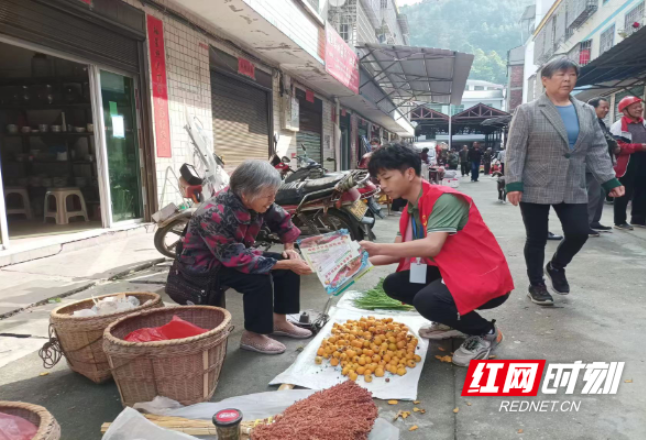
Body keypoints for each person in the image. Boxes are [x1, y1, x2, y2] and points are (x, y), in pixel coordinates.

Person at [360, 144, 514, 366]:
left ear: (409, 173)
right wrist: (354, 264)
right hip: (452, 273)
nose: (381, 185)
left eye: (386, 177)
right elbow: (395, 253)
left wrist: (376, 247)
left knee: (428, 301)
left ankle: (486, 332)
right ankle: (452, 322)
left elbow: (431, 247)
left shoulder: (444, 199)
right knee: (395, 284)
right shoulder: (410, 210)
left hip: (481, 276)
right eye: (378, 179)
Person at [506, 56, 624, 307]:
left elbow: (596, 148)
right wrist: (513, 183)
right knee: (536, 237)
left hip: (572, 182)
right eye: (561, 74)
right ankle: (536, 284)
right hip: (536, 182)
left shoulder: (586, 111)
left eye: (572, 74)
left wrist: (609, 180)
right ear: (545, 80)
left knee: (579, 232)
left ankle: (556, 266)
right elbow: (515, 149)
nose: (567, 79)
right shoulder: (527, 111)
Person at [177, 160, 313, 354]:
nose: (271, 200)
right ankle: (253, 335)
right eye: (268, 196)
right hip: (204, 266)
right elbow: (238, 259)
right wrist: (285, 263)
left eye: (274, 194)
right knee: (258, 278)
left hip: (233, 253)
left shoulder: (258, 199)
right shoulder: (213, 214)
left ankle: (279, 321)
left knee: (287, 267)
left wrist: (290, 250)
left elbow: (281, 220)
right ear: (245, 194)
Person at [610, 96, 646, 231]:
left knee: (643, 190)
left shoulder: (644, 123)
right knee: (624, 190)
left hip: (643, 159)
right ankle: (620, 221)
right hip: (628, 161)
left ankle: (638, 219)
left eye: (640, 106)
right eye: (635, 107)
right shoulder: (618, 126)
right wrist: (639, 146)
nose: (639, 109)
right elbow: (617, 147)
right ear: (625, 111)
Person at [587, 97, 621, 235]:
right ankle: (585, 225)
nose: (607, 110)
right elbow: (604, 139)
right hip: (591, 166)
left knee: (600, 194)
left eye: (608, 107)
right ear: (593, 108)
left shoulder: (600, 122)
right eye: (604, 107)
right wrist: (614, 144)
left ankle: (594, 221)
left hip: (602, 165)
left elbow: (609, 136)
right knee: (591, 195)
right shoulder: (589, 122)